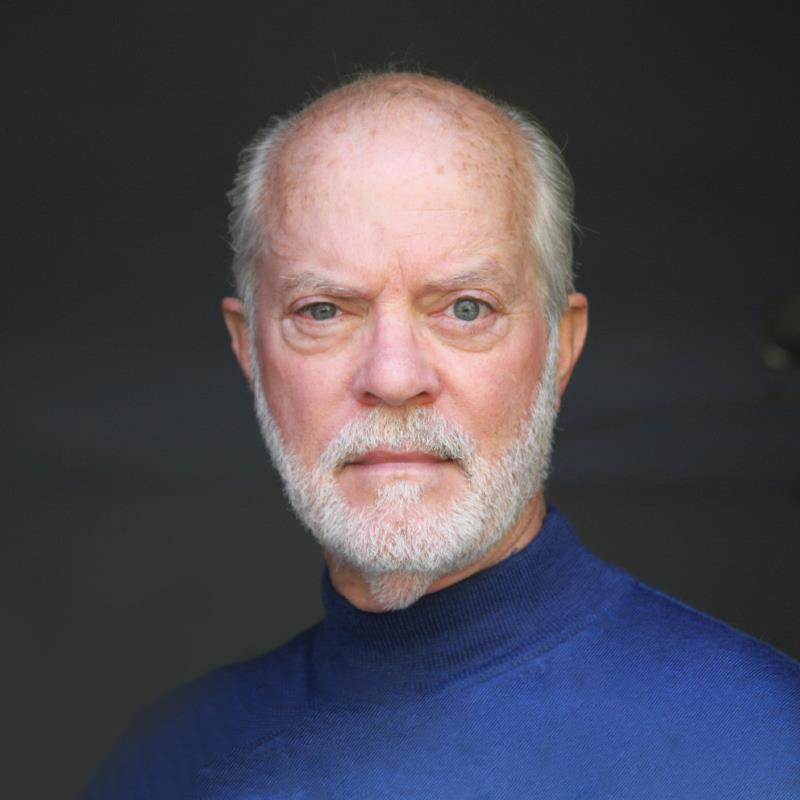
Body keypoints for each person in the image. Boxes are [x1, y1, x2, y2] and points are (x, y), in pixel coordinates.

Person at [81, 71, 799, 799]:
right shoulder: (167, 766)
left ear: (561, 348)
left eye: (465, 308)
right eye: (324, 311)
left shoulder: (767, 744)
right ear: (249, 352)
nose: (393, 377)